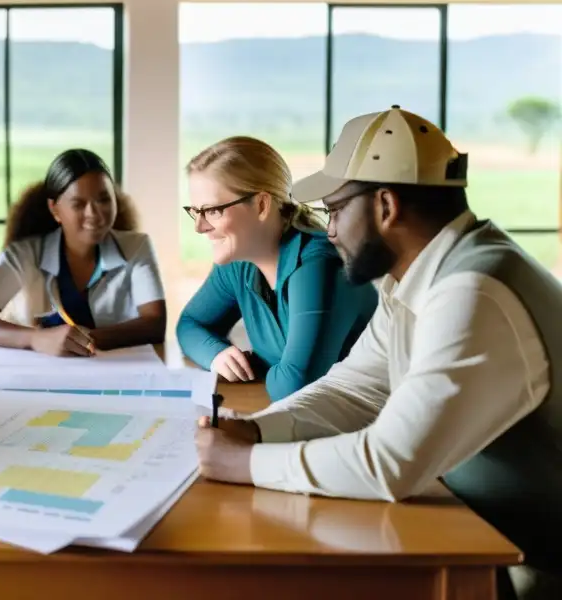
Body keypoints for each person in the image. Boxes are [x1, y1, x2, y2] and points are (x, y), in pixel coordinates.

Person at [193, 107, 561, 599]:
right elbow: (357, 388)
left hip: (536, 567)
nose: (330, 232)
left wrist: (245, 463)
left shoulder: (473, 292)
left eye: (336, 210)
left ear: (385, 205)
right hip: (485, 535)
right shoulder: (413, 279)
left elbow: (391, 462)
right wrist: (257, 428)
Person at [177, 136, 377, 401]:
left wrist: (259, 365)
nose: (199, 227)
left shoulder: (321, 266)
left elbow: (295, 386)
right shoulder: (239, 262)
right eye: (196, 211)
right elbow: (189, 325)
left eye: (213, 211)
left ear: (261, 205)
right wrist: (215, 354)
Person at [0, 149, 166, 356]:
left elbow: (155, 323)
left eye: (103, 200)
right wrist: (36, 339)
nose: (94, 214)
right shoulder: (23, 256)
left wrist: (83, 339)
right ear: (55, 209)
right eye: (79, 204)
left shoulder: (137, 247)